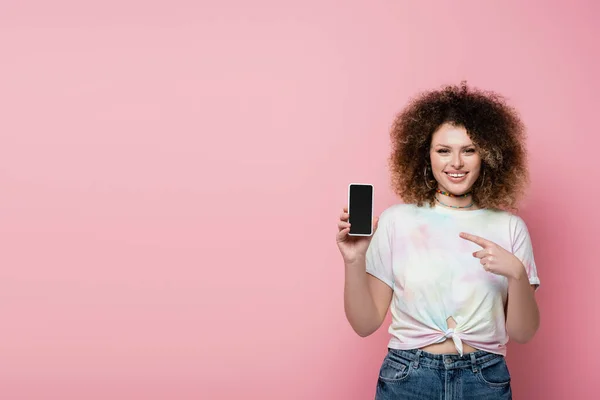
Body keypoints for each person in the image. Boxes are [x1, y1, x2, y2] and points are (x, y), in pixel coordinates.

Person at [336, 82, 540, 399]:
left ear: (488, 155)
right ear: (424, 155)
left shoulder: (510, 227)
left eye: (468, 150)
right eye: (443, 150)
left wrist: (517, 274)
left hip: (484, 379)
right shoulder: (396, 220)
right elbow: (365, 324)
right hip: (407, 376)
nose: (455, 163)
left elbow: (523, 332)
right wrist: (353, 261)